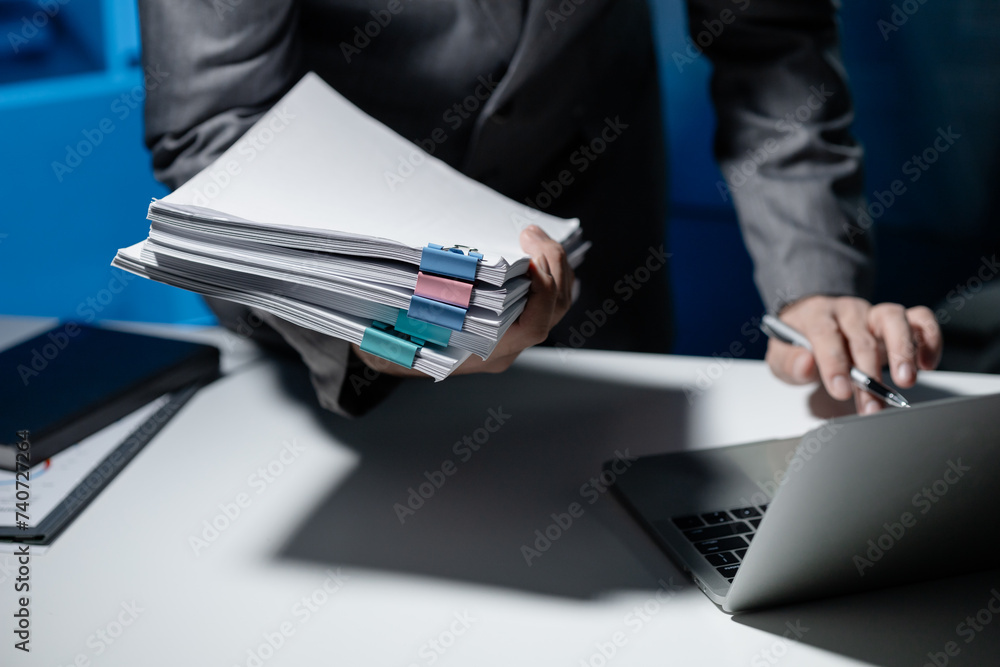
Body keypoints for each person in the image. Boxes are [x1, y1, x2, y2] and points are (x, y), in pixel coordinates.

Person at [137, 0, 942, 416]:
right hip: (328, 323)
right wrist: (368, 315)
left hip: (599, 263)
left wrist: (814, 284)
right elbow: (217, 126)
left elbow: (771, 41)